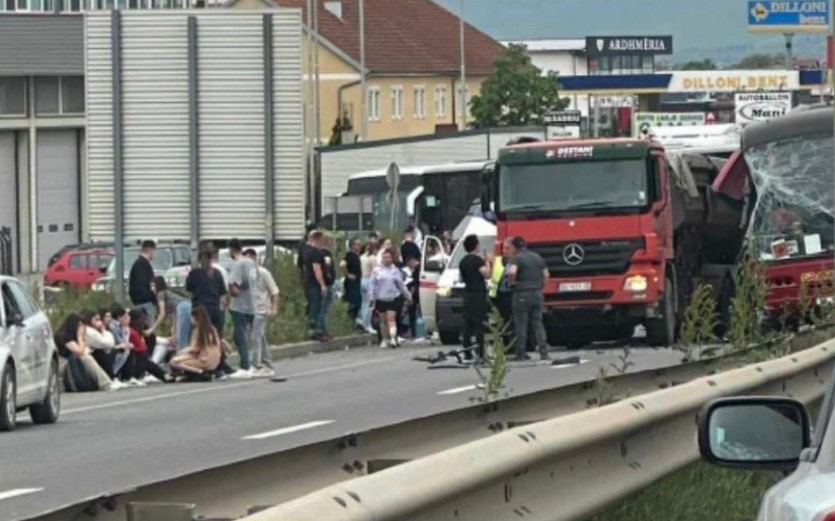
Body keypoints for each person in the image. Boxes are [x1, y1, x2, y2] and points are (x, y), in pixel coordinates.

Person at [186, 247, 234, 377]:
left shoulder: (194, 273)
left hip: (200, 310)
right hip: (214, 308)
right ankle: (220, 364)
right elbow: (222, 293)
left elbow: (188, 288)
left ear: (199, 260)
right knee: (216, 337)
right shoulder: (216, 273)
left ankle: (205, 363)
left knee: (202, 338)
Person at [506, 236, 550, 362]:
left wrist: (511, 283)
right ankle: (544, 352)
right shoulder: (537, 257)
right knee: (538, 323)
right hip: (537, 294)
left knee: (521, 324)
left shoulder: (516, 259)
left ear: (514, 247)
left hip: (521, 294)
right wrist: (541, 286)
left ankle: (521, 353)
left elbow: (512, 272)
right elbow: (546, 275)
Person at [56, 313, 124, 392]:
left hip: (70, 364)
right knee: (85, 358)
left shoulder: (73, 337)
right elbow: (79, 352)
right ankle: (105, 383)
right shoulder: (65, 337)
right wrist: (80, 337)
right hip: (61, 365)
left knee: (88, 356)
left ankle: (105, 381)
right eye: (80, 325)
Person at [244, 248, 280, 377]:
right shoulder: (247, 275)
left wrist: (274, 308)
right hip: (250, 311)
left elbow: (274, 292)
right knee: (260, 337)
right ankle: (268, 365)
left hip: (261, 310)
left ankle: (256, 365)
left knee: (256, 337)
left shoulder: (264, 273)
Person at [368, 248, 411, 348]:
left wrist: (407, 295)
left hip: (393, 297)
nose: (386, 259)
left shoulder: (395, 271)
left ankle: (392, 339)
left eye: (388, 257)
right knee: (383, 321)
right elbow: (372, 284)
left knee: (391, 318)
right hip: (381, 298)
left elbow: (401, 285)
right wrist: (371, 296)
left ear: (392, 258)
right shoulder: (376, 271)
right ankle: (384, 339)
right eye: (384, 257)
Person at [459, 235, 492, 361]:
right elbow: (487, 274)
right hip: (478, 294)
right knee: (479, 324)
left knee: (468, 324)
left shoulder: (463, 261)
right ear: (476, 245)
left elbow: (462, 278)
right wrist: (488, 262)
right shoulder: (477, 260)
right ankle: (480, 352)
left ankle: (467, 351)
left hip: (467, 294)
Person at [227, 238, 257, 373]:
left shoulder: (237, 264)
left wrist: (231, 292)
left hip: (240, 305)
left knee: (240, 336)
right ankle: (255, 362)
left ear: (231, 250)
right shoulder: (252, 262)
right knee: (252, 335)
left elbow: (233, 285)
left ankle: (245, 365)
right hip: (253, 303)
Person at [169, 305, 222, 375]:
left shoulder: (198, 331)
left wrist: (182, 352)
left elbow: (194, 350)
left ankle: (200, 372)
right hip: (215, 361)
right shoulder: (212, 329)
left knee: (174, 362)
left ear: (195, 318)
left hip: (204, 360)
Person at [123, 309, 171, 384]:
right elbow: (139, 348)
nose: (142, 322)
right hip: (132, 363)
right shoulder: (129, 332)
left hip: (142, 359)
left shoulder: (142, 330)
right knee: (145, 359)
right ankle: (164, 375)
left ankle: (164, 375)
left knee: (147, 359)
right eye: (140, 320)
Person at [146, 276, 186, 365]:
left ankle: (180, 362)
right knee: (181, 338)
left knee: (181, 341)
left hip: (182, 310)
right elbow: (174, 314)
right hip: (184, 309)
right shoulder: (168, 293)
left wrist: (151, 329)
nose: (152, 288)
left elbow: (162, 314)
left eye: (153, 285)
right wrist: (174, 333)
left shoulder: (161, 294)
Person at [304, 231, 335, 341]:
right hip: (315, 284)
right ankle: (316, 331)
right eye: (321, 239)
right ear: (317, 239)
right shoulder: (316, 253)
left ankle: (315, 330)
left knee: (314, 307)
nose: (323, 241)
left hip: (308, 283)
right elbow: (317, 269)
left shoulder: (307, 251)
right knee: (316, 308)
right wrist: (322, 285)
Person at [81, 309, 118, 379]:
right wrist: (103, 330)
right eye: (96, 319)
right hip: (88, 355)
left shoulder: (93, 330)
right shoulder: (89, 331)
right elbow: (108, 343)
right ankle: (109, 378)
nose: (99, 322)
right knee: (103, 353)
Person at [129, 240, 158, 326]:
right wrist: (152, 297)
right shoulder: (142, 265)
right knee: (148, 330)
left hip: (139, 303)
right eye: (154, 251)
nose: (154, 254)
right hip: (145, 304)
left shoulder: (139, 264)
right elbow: (144, 286)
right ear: (149, 250)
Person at [341, 238, 363, 327]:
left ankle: (352, 321)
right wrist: (348, 274)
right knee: (354, 301)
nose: (359, 246)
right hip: (352, 283)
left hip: (357, 281)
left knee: (358, 301)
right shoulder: (350, 255)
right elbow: (342, 264)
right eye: (357, 244)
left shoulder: (356, 255)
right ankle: (349, 321)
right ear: (352, 245)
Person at [359, 240, 378, 334]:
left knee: (364, 303)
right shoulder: (373, 258)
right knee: (370, 304)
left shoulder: (361, 257)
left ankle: (363, 323)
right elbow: (375, 271)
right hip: (369, 280)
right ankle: (367, 325)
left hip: (362, 279)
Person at [108, 303, 133, 379]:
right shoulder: (113, 326)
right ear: (119, 317)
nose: (127, 319)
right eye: (124, 317)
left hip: (118, 346)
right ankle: (114, 375)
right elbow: (119, 340)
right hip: (114, 347)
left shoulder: (119, 326)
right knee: (125, 351)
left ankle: (125, 376)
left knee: (129, 350)